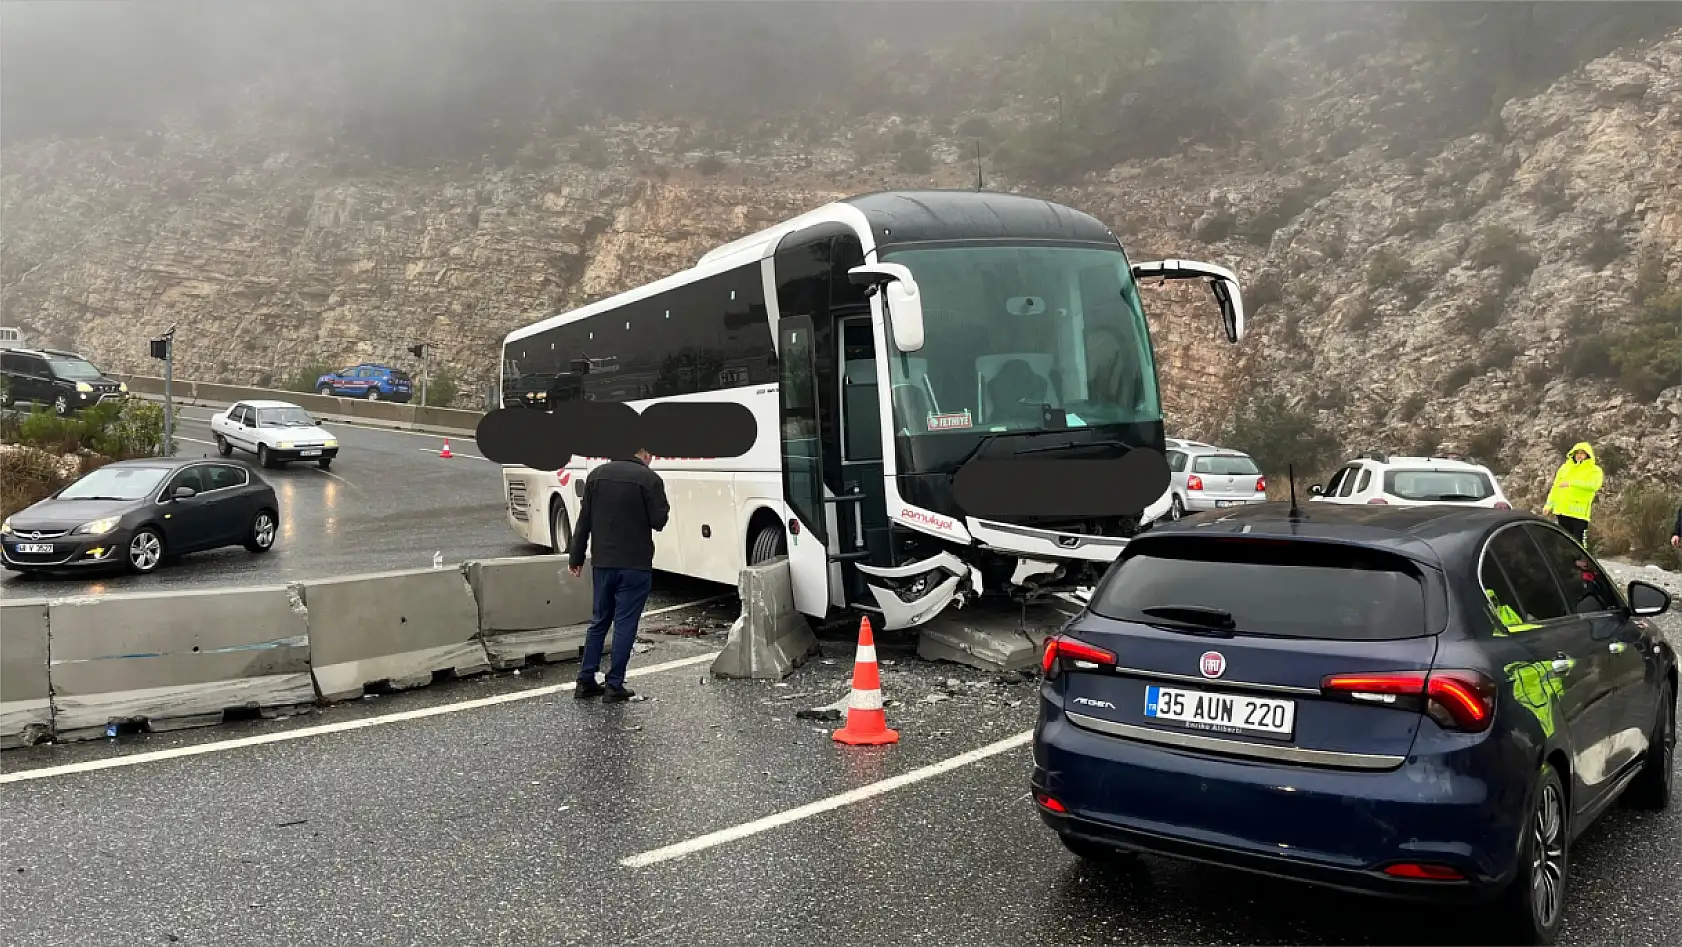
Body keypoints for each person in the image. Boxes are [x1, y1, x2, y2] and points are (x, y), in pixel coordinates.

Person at [566, 446, 670, 703]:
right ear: (643, 452)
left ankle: (585, 680)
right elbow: (659, 521)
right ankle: (614, 685)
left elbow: (584, 521)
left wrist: (576, 557)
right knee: (625, 624)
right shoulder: (649, 479)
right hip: (635, 565)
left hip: (603, 562)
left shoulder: (597, 475)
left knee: (599, 620)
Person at [1542, 441, 1602, 546]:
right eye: (1577, 452)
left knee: (1579, 544)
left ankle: (1580, 557)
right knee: (1563, 542)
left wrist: (1572, 483)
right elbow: (1555, 488)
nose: (1579, 455)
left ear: (1588, 455)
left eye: (1582, 453)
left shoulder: (1594, 471)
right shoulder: (1564, 468)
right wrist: (1549, 505)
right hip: (1562, 511)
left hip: (1579, 513)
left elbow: (1594, 486)